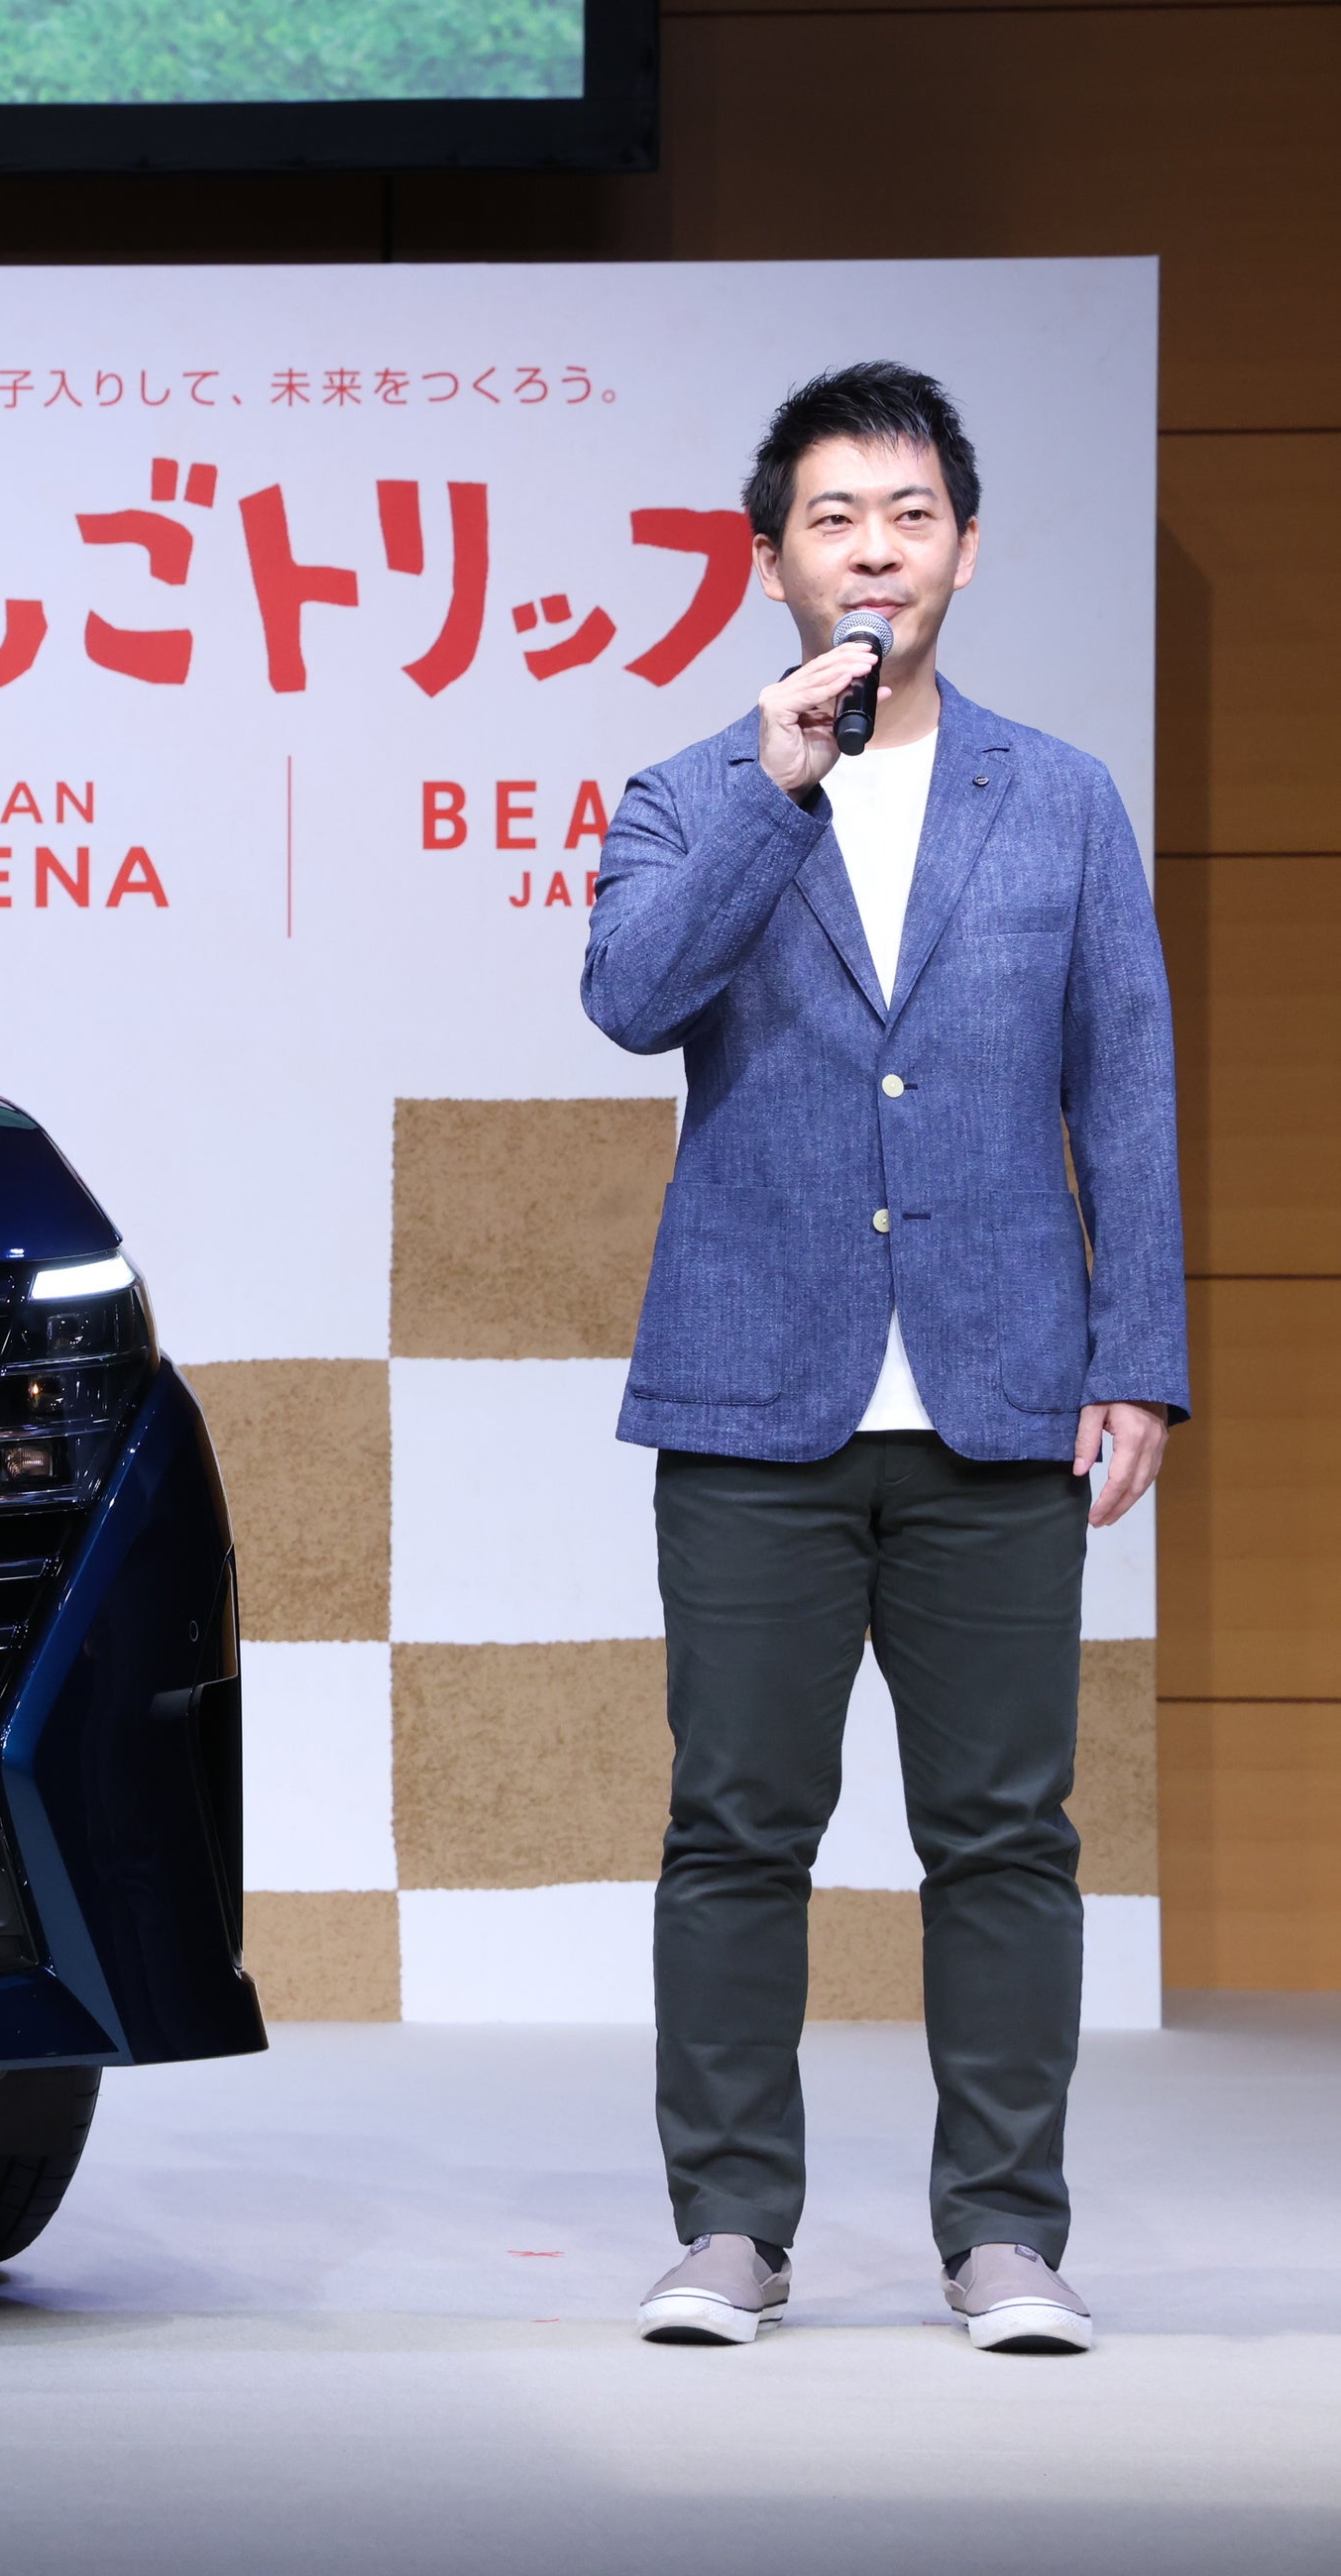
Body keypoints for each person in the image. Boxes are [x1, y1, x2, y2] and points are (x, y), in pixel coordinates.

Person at [579, 362, 1187, 2354]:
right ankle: (728, 2231)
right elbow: (632, 997)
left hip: (1002, 1394)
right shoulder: (693, 792)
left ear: (966, 552)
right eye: (835, 518)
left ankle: (1006, 2235)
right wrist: (778, 788)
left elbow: (1127, 1090)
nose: (875, 550)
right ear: (772, 561)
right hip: (757, 1394)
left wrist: (1139, 1355)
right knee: (734, 1830)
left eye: (910, 515)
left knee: (1005, 1837)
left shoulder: (1062, 797)